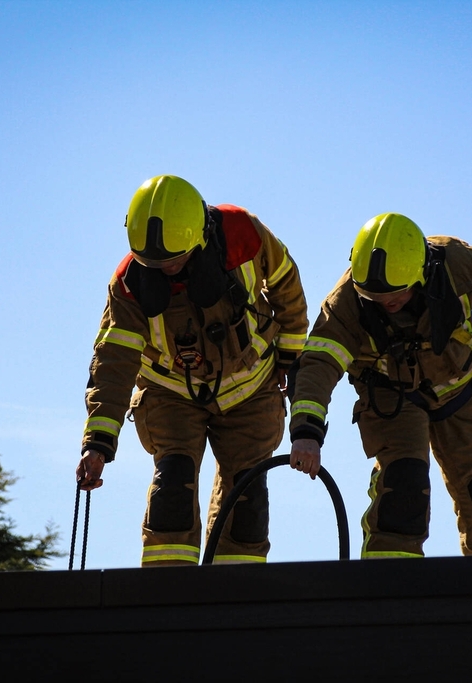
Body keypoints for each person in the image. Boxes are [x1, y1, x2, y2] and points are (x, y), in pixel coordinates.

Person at [76, 175, 308, 566]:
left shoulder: (243, 234)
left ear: (199, 234)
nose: (165, 270)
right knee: (174, 487)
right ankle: (167, 598)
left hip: (251, 390)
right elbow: (113, 363)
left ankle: (233, 601)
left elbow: (287, 287)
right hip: (170, 395)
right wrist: (97, 442)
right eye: (155, 263)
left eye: (174, 260)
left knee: (247, 498)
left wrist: (289, 357)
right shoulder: (128, 285)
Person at [287, 213, 472, 558]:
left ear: (420, 273)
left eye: (395, 294)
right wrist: (307, 432)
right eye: (374, 296)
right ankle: (387, 596)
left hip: (460, 395)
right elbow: (319, 363)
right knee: (403, 491)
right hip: (392, 400)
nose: (385, 302)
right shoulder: (346, 301)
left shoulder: (460, 266)